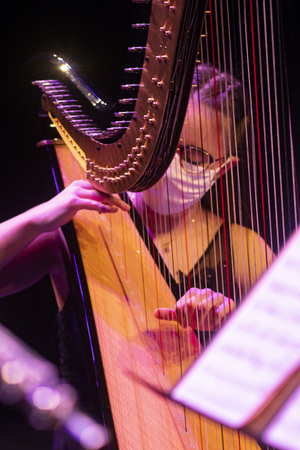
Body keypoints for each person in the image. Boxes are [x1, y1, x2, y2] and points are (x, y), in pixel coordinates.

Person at [128, 63, 273, 343]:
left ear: (222, 169)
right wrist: (39, 220)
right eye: (164, 144)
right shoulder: (92, 214)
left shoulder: (245, 251)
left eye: (193, 155)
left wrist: (232, 329)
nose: (169, 162)